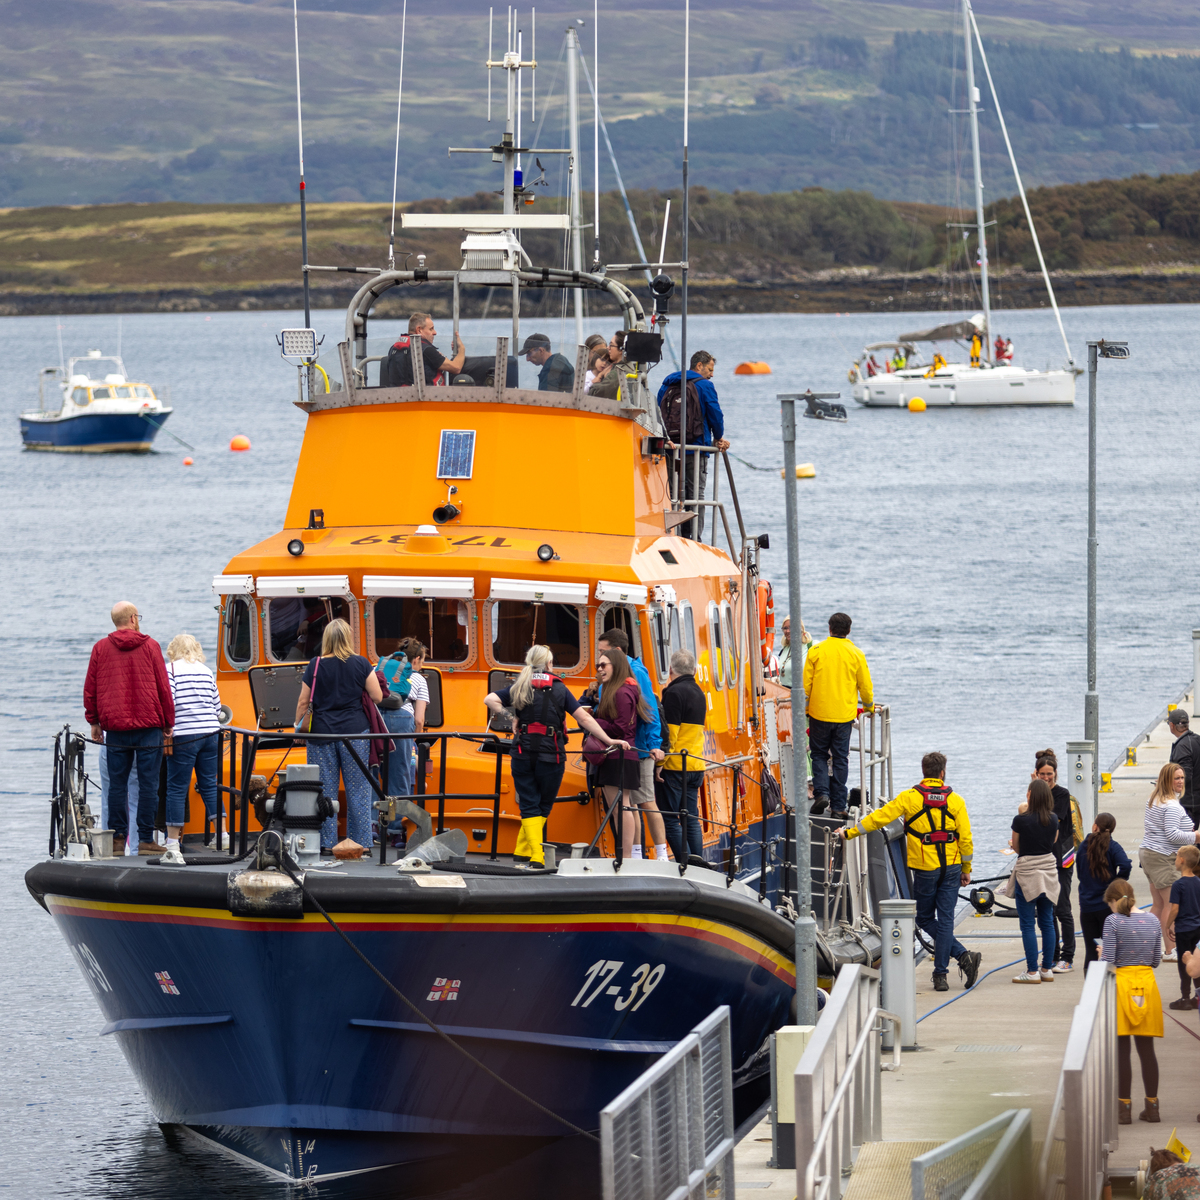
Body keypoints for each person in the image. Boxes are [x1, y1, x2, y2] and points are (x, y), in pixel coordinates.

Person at [841, 751, 980, 993]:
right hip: (952, 867)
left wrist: (849, 832)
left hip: (926, 869)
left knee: (924, 919)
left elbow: (878, 819)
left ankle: (959, 959)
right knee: (946, 920)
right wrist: (966, 869)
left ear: (923, 772)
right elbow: (966, 839)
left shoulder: (909, 798)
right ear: (942, 773)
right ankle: (942, 972)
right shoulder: (956, 801)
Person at [484, 645, 628, 869]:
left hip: (522, 753)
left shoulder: (520, 685)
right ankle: (537, 856)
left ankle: (523, 849)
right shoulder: (560, 689)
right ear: (549, 664)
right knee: (543, 804)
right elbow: (584, 719)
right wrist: (609, 740)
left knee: (529, 803)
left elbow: (490, 699)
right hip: (551, 755)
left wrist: (511, 717)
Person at [84, 601, 175, 857]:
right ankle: (145, 839)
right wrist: (168, 722)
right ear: (134, 618)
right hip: (149, 725)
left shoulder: (100, 648)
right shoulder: (151, 646)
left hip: (115, 727)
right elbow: (163, 687)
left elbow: (91, 687)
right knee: (148, 785)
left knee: (117, 786)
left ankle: (117, 841)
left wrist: (94, 721)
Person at [293, 618, 383, 851]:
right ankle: (360, 842)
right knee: (359, 790)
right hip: (356, 734)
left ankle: (325, 843)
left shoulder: (315, 664)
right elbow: (377, 696)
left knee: (324, 790)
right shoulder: (361, 663)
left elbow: (303, 701)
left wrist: (297, 727)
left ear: (327, 639)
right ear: (348, 638)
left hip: (321, 734)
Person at [597, 627, 668, 861]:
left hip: (639, 748)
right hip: (622, 749)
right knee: (630, 804)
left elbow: (649, 710)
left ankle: (662, 854)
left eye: (603, 653)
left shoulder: (635, 673)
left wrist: (654, 745)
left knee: (646, 800)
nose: (599, 660)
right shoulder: (611, 678)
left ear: (616, 651)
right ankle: (635, 854)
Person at [1102, 878, 1163, 1125]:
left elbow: (1108, 960)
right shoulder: (1153, 920)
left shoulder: (1112, 921)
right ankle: (1152, 1107)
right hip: (1146, 984)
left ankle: (1124, 1109)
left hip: (1122, 985)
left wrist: (1101, 953)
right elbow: (1156, 960)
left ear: (1113, 901)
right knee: (1147, 1051)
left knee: (1122, 1051)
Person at [802, 612, 873, 818]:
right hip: (844, 717)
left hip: (819, 714)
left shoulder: (816, 651)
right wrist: (868, 708)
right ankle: (838, 806)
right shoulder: (856, 654)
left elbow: (806, 686)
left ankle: (822, 793)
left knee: (818, 755)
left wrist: (806, 710)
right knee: (841, 759)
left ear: (830, 628)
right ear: (848, 630)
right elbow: (865, 687)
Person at [655, 350, 729, 540]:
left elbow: (657, 413)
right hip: (696, 449)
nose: (712, 374)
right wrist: (718, 437)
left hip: (671, 450)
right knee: (695, 496)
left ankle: (674, 534)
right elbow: (715, 414)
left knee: (672, 495)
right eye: (710, 369)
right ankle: (693, 538)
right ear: (699, 366)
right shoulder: (705, 386)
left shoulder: (668, 383)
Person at [162, 634, 223, 863]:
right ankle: (223, 835)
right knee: (210, 784)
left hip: (184, 735)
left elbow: (170, 703)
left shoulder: (171, 670)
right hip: (211, 733)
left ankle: (172, 843)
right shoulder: (206, 671)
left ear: (173, 650)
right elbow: (217, 707)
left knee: (177, 788)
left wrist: (166, 728)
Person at [590, 647, 653, 854]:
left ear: (616, 666)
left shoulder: (622, 692)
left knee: (621, 808)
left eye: (603, 665)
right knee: (620, 808)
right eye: (598, 665)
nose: (600, 669)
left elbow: (620, 727)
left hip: (619, 755)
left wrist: (594, 721)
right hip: (618, 755)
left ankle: (626, 855)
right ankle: (627, 855)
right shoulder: (623, 690)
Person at [1140, 761, 1200, 962]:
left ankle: (1146, 946)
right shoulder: (1171, 806)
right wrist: (1196, 837)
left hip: (1149, 853)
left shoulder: (1155, 799)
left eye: (1182, 777)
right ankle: (1170, 950)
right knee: (1170, 904)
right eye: (1176, 778)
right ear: (1167, 780)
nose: (1181, 781)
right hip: (1162, 857)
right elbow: (1172, 835)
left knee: (1158, 904)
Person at [1009, 779, 1061, 983]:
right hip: (1048, 871)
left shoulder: (1020, 820)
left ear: (1030, 795)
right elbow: (1053, 842)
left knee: (1028, 924)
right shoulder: (1054, 819)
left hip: (1027, 873)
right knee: (1047, 921)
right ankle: (1047, 969)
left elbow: (1016, 847)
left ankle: (1032, 972)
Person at [657, 649, 707, 863]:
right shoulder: (699, 693)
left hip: (675, 766)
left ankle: (685, 863)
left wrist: (660, 763)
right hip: (696, 765)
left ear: (670, 669)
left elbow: (671, 735)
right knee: (691, 819)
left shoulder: (673, 693)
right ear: (694, 670)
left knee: (670, 819)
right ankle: (698, 863)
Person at [1033, 749, 1080, 973]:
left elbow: (1049, 820)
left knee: (1062, 908)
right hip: (1043, 859)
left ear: (1055, 774)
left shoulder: (1061, 794)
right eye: (1042, 774)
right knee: (1047, 911)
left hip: (1062, 858)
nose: (1046, 778)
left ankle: (1067, 956)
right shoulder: (1034, 795)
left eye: (1049, 774)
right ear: (1036, 774)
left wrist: (1035, 795)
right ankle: (1052, 955)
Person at [1076, 812, 1132, 965]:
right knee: (1109, 949)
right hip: (1107, 905)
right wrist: (1116, 882)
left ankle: (1091, 980)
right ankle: (1109, 979)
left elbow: (1079, 871)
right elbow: (1125, 865)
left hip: (1087, 904)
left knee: (1091, 949)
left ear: (1095, 826)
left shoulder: (1084, 845)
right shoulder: (1113, 846)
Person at [384, 312, 466, 387]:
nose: (435, 332)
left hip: (399, 396)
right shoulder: (425, 349)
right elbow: (456, 368)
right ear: (419, 330)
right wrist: (461, 349)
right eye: (431, 329)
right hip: (426, 396)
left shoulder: (393, 349)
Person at [1166, 844, 1200, 1010]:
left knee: (1184, 962)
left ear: (1181, 860)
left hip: (1184, 929)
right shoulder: (1198, 882)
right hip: (1197, 928)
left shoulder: (1178, 885)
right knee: (1197, 961)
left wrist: (1168, 925)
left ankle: (1185, 997)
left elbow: (1175, 909)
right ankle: (1198, 995)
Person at [1169, 709, 1200, 826]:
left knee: (1187, 835)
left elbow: (1185, 775)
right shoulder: (1197, 739)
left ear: (1172, 725)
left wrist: (1166, 781)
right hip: (1196, 800)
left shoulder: (1182, 746)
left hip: (1188, 803)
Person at [776, 616, 811, 689]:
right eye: (785, 628)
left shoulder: (811, 646)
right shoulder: (785, 649)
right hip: (784, 692)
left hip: (802, 692)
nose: (788, 631)